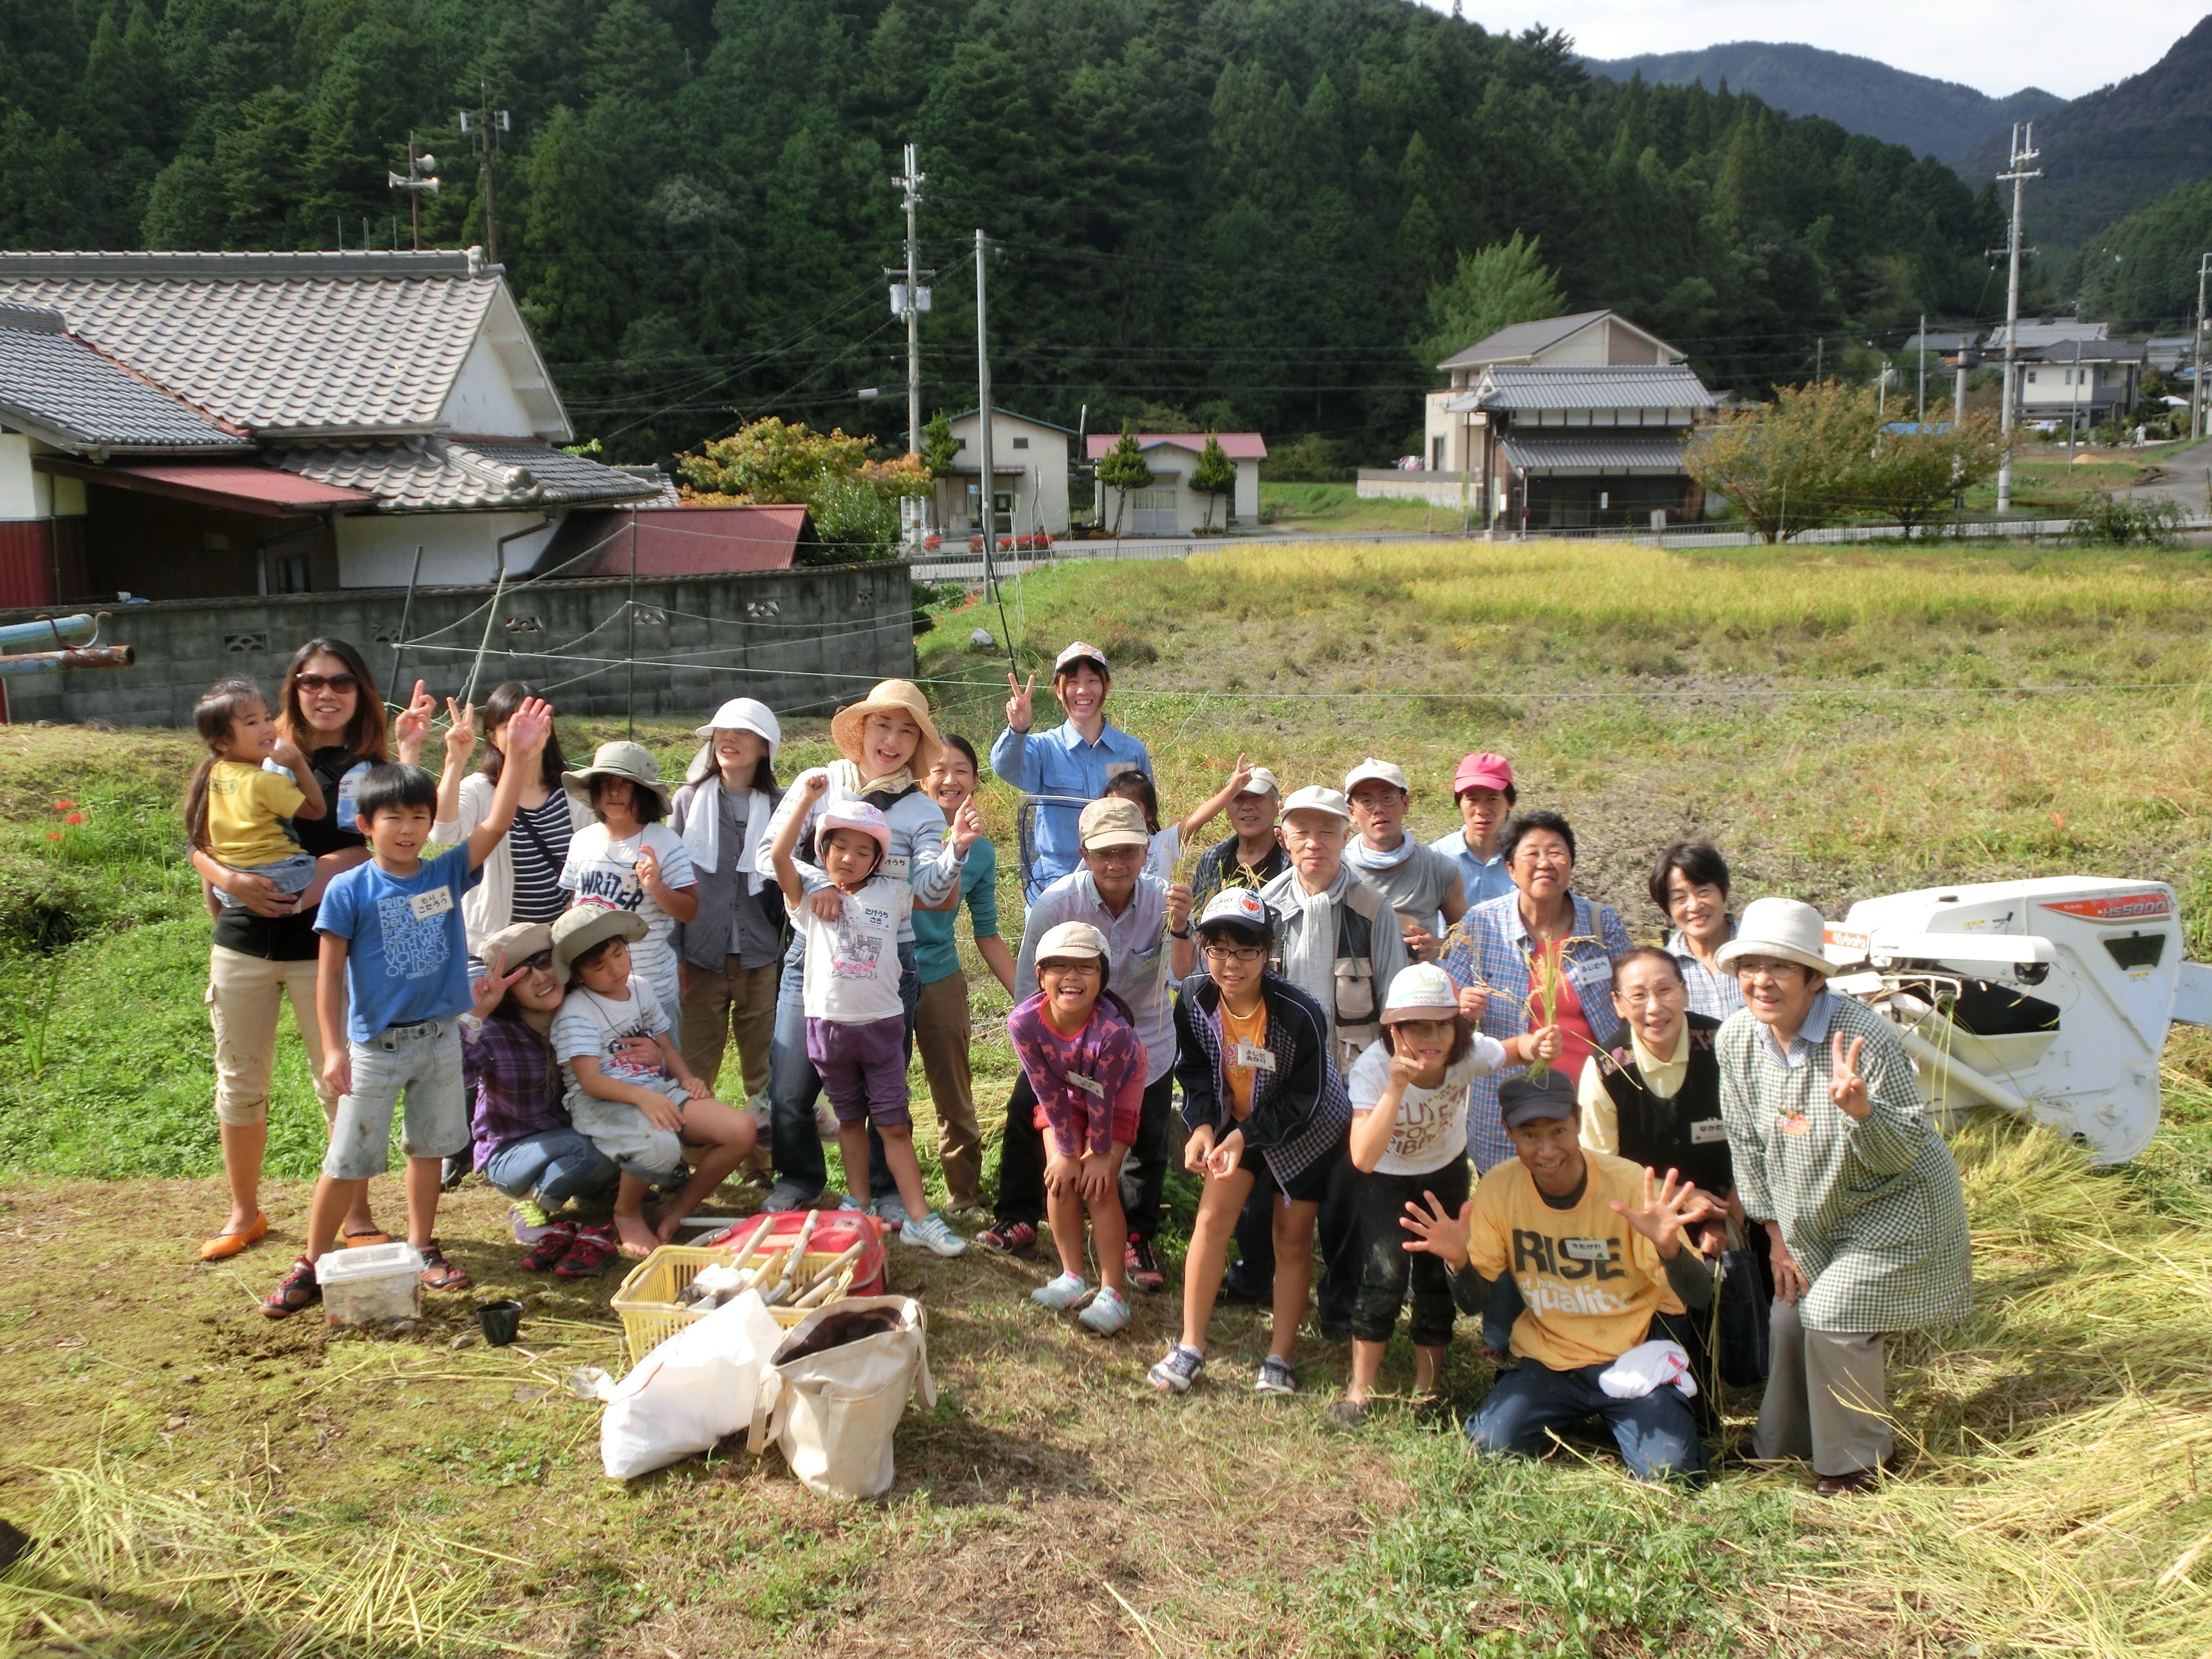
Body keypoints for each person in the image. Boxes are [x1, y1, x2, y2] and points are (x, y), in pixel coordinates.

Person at [258, 697, 553, 1317]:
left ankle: (422, 1246)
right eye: (393, 817)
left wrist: (521, 757)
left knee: (429, 1149)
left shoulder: (443, 874)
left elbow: (494, 827)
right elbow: (331, 972)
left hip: (440, 1040)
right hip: (376, 1046)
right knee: (348, 1157)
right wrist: (335, 1047)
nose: (408, 828)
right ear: (366, 825)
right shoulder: (349, 887)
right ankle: (310, 1264)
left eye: (419, 816)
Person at [1716, 897, 1973, 1496]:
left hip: (1898, 1209)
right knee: (1788, 1313)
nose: (1762, 981)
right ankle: (1782, 1447)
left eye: (1781, 967)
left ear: (1813, 977)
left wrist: (1862, 1112)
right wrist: (1775, 1239)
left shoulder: (1862, 1036)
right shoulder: (1737, 1040)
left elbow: (1901, 1151)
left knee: (1832, 1314)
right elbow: (1746, 1141)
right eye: (1751, 966)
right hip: (1816, 1216)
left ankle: (1859, 1463)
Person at [192, 637, 431, 1261]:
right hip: (242, 945)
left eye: (341, 682)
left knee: (340, 1083)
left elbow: (391, 846)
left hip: (325, 950)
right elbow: (196, 842)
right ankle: (244, 1212)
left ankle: (356, 1214)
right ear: (292, 689)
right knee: (240, 1082)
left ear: (362, 693)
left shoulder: (372, 768)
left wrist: (329, 867)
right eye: (311, 681)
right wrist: (229, 880)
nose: (326, 693)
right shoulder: (237, 754)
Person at [1400, 1071, 1715, 1483]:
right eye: (1530, 1136)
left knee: (1671, 1473)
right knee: (1489, 1445)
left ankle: (1626, 1417)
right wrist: (1459, 1263)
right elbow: (1474, 1303)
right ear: (1508, 1131)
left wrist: (1669, 1248)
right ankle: (1591, 1417)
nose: (1547, 1150)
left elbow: (1701, 1296)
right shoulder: (1499, 1188)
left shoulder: (1628, 1186)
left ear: (1579, 1122)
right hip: (1550, 1360)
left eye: (1559, 1131)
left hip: (1635, 1357)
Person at [754, 678, 968, 1217]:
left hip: (889, 967)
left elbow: (928, 891)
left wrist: (957, 853)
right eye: (882, 725)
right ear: (862, 729)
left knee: (884, 1092)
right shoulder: (819, 783)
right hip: (811, 958)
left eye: (905, 731)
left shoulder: (921, 810)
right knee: (790, 1085)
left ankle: (882, 1190)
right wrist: (817, 883)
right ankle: (799, 1176)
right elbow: (765, 857)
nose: (891, 741)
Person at [979, 798, 1192, 1296]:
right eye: (1104, 853)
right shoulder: (1057, 904)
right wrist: (1044, 1049)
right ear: (1083, 853)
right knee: (1030, 1118)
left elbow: (1184, 973)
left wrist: (1181, 926)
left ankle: (1136, 1237)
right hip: (1063, 1048)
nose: (1116, 864)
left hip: (1144, 1048)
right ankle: (1019, 1215)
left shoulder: (1166, 901)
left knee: (1147, 1143)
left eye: (1128, 851)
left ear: (1146, 852)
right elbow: (1030, 990)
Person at [1331, 964, 1558, 1429]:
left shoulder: (1464, 1056)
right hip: (1386, 1178)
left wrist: (1536, 1046)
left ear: (1458, 1027)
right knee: (1386, 1274)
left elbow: (1511, 1051)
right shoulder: (1373, 1069)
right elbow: (1363, 1157)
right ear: (1394, 1030)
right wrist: (1397, 1085)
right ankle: (1360, 1389)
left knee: (1437, 1277)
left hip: (1446, 1171)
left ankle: (1426, 1390)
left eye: (1441, 1024)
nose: (1430, 1038)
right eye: (1415, 1026)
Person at [1149, 889, 1350, 1397]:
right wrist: (1201, 1126)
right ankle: (1191, 1346)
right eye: (1218, 949)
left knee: (1292, 1237)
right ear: (1202, 948)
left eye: (1246, 951)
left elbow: (1307, 1097)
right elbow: (1194, 1070)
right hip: (1236, 1120)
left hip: (1304, 1130)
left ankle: (1280, 1356)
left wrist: (1244, 1136)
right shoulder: (1194, 999)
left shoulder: (1298, 1014)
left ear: (1269, 952)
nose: (1231, 964)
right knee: (1212, 1221)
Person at [1227, 785, 1408, 1333]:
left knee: (1344, 1202)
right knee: (1263, 1191)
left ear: (1346, 836)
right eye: (1302, 832)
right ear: (1283, 837)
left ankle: (1341, 1305)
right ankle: (1254, 1279)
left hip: (1353, 1080)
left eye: (1327, 830)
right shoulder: (1264, 909)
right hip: (1277, 1080)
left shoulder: (1375, 909)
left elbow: (1396, 1003)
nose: (1314, 843)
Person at [768, 785, 971, 1256]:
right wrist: (803, 805)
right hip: (828, 1032)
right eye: (840, 847)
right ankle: (857, 1206)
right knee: (850, 1121)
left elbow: (936, 890)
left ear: (878, 861)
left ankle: (919, 1217)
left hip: (881, 1030)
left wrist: (956, 848)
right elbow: (779, 857)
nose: (849, 858)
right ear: (823, 850)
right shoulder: (808, 900)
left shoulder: (893, 893)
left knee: (893, 1124)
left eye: (864, 851)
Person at [548, 903, 758, 1258]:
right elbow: (590, 1081)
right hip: (602, 1103)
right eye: (600, 966)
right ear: (579, 976)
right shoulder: (576, 1012)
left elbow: (665, 1044)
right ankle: (626, 1213)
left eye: (619, 954)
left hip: (656, 1091)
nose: (616, 969)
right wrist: (643, 1099)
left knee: (741, 1131)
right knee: (661, 1145)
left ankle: (677, 1209)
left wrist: (687, 1079)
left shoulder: (640, 988)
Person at [1436, 808, 1635, 1174]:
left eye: (1556, 852)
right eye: (1532, 854)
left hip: (1592, 1103)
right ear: (1510, 869)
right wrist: (1462, 1007)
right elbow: (1443, 1008)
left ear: (1572, 863)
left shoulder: (1601, 923)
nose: (1545, 862)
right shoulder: (1482, 925)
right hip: (1507, 1108)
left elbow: (1633, 997)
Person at [459, 921, 624, 1278]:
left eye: (544, 962)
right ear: (507, 988)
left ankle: (592, 1190)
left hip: (579, 1134)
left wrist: (650, 1055)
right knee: (594, 1150)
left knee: (620, 1143)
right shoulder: (496, 1031)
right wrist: (477, 1015)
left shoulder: (589, 1012)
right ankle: (530, 1205)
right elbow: (453, 1078)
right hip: (512, 1153)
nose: (538, 978)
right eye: (521, 974)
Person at [1007, 921, 1145, 1335]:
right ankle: (1072, 1277)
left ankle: (1113, 1294)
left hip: (1116, 1094)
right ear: (1040, 976)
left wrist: (1098, 1154)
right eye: (1059, 967)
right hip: (1061, 1094)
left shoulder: (1115, 1034)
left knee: (1097, 1187)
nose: (1071, 977)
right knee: (1060, 1180)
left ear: (1102, 977)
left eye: (1085, 967)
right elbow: (1043, 1086)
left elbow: (1103, 1099)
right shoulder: (1023, 1022)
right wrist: (1067, 1152)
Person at [911, 734, 1016, 1218]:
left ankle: (963, 1195)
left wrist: (1032, 999)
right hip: (880, 973)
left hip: (939, 974)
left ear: (976, 781)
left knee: (953, 1089)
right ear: (921, 777)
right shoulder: (898, 829)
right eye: (938, 769)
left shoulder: (984, 853)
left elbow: (988, 933)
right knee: (882, 1087)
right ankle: (889, 1191)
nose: (949, 779)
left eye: (961, 770)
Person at [670, 698, 787, 1125]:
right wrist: (676, 955)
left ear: (765, 748)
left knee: (765, 1068)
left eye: (742, 733)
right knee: (696, 1065)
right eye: (722, 732)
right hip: (702, 956)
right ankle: (696, 1157)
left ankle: (761, 1161)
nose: (729, 740)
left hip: (762, 956)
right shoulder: (687, 802)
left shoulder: (783, 805)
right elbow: (672, 881)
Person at [1576, 948, 1736, 1256]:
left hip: (1739, 1210)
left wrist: (1730, 1217)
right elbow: (1601, 1169)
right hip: (1642, 1224)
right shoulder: (1606, 1068)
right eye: (1637, 996)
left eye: (1665, 990)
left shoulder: (1724, 1045)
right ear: (1618, 1004)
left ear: (1685, 993)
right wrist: (1683, 1198)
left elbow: (1760, 1139)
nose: (1654, 1008)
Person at [432, 682, 589, 965]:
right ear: (493, 738)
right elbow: (443, 832)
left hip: (563, 945)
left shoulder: (574, 791)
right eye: (511, 727)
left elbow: (592, 860)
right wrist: (454, 761)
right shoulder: (480, 789)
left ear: (548, 728)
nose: (523, 736)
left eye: (532, 724)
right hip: (495, 948)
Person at [558, 741, 698, 1044]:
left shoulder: (664, 842)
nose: (615, 792)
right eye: (606, 783)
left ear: (644, 792)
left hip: (651, 987)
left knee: (661, 1070)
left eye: (627, 784)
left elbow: (689, 909)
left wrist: (656, 887)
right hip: (592, 988)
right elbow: (573, 904)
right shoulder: (582, 840)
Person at [992, 641, 1151, 898]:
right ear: (1058, 690)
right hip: (1055, 882)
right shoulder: (1043, 748)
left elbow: (1148, 820)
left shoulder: (1132, 751)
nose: (1082, 691)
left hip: (1117, 880)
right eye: (1073, 682)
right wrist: (1017, 729)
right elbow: (1004, 767)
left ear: (1106, 685)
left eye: (1092, 681)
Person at [185, 678, 327, 909]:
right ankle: (294, 909)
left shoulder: (212, 772)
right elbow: (317, 811)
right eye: (252, 723)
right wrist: (299, 766)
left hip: (229, 885)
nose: (267, 728)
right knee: (354, 857)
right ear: (222, 742)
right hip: (281, 878)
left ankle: (221, 929)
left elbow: (200, 838)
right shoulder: (264, 781)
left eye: (268, 718)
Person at [1343, 757, 1467, 961]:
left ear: (1406, 804)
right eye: (1366, 801)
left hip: (1420, 989)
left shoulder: (1438, 869)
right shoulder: (1339, 870)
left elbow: (1469, 938)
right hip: (1359, 987)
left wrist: (1440, 947)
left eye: (1388, 798)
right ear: (1352, 813)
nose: (1378, 809)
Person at [1102, 756, 1255, 884]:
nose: (1120, 815)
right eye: (1113, 808)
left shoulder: (1162, 844)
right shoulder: (1100, 849)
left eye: (1130, 809)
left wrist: (1234, 789)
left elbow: (1197, 818)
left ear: (1150, 814)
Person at [1651, 841, 1743, 1020]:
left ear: (1723, 891)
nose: (1694, 906)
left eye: (1703, 892)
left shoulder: (1758, 949)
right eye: (1680, 898)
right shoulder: (1663, 969)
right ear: (1667, 908)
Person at [1429, 752, 1517, 913]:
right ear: (1459, 803)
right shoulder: (1437, 858)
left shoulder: (1525, 858)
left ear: (1510, 802)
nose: (1482, 811)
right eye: (1472, 799)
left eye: (1492, 799)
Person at [1188, 765, 1287, 907]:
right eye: (1238, 798)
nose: (1247, 807)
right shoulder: (1212, 860)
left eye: (1257, 798)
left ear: (1278, 805)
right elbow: (1196, 920)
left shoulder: (1294, 861)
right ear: (1227, 810)